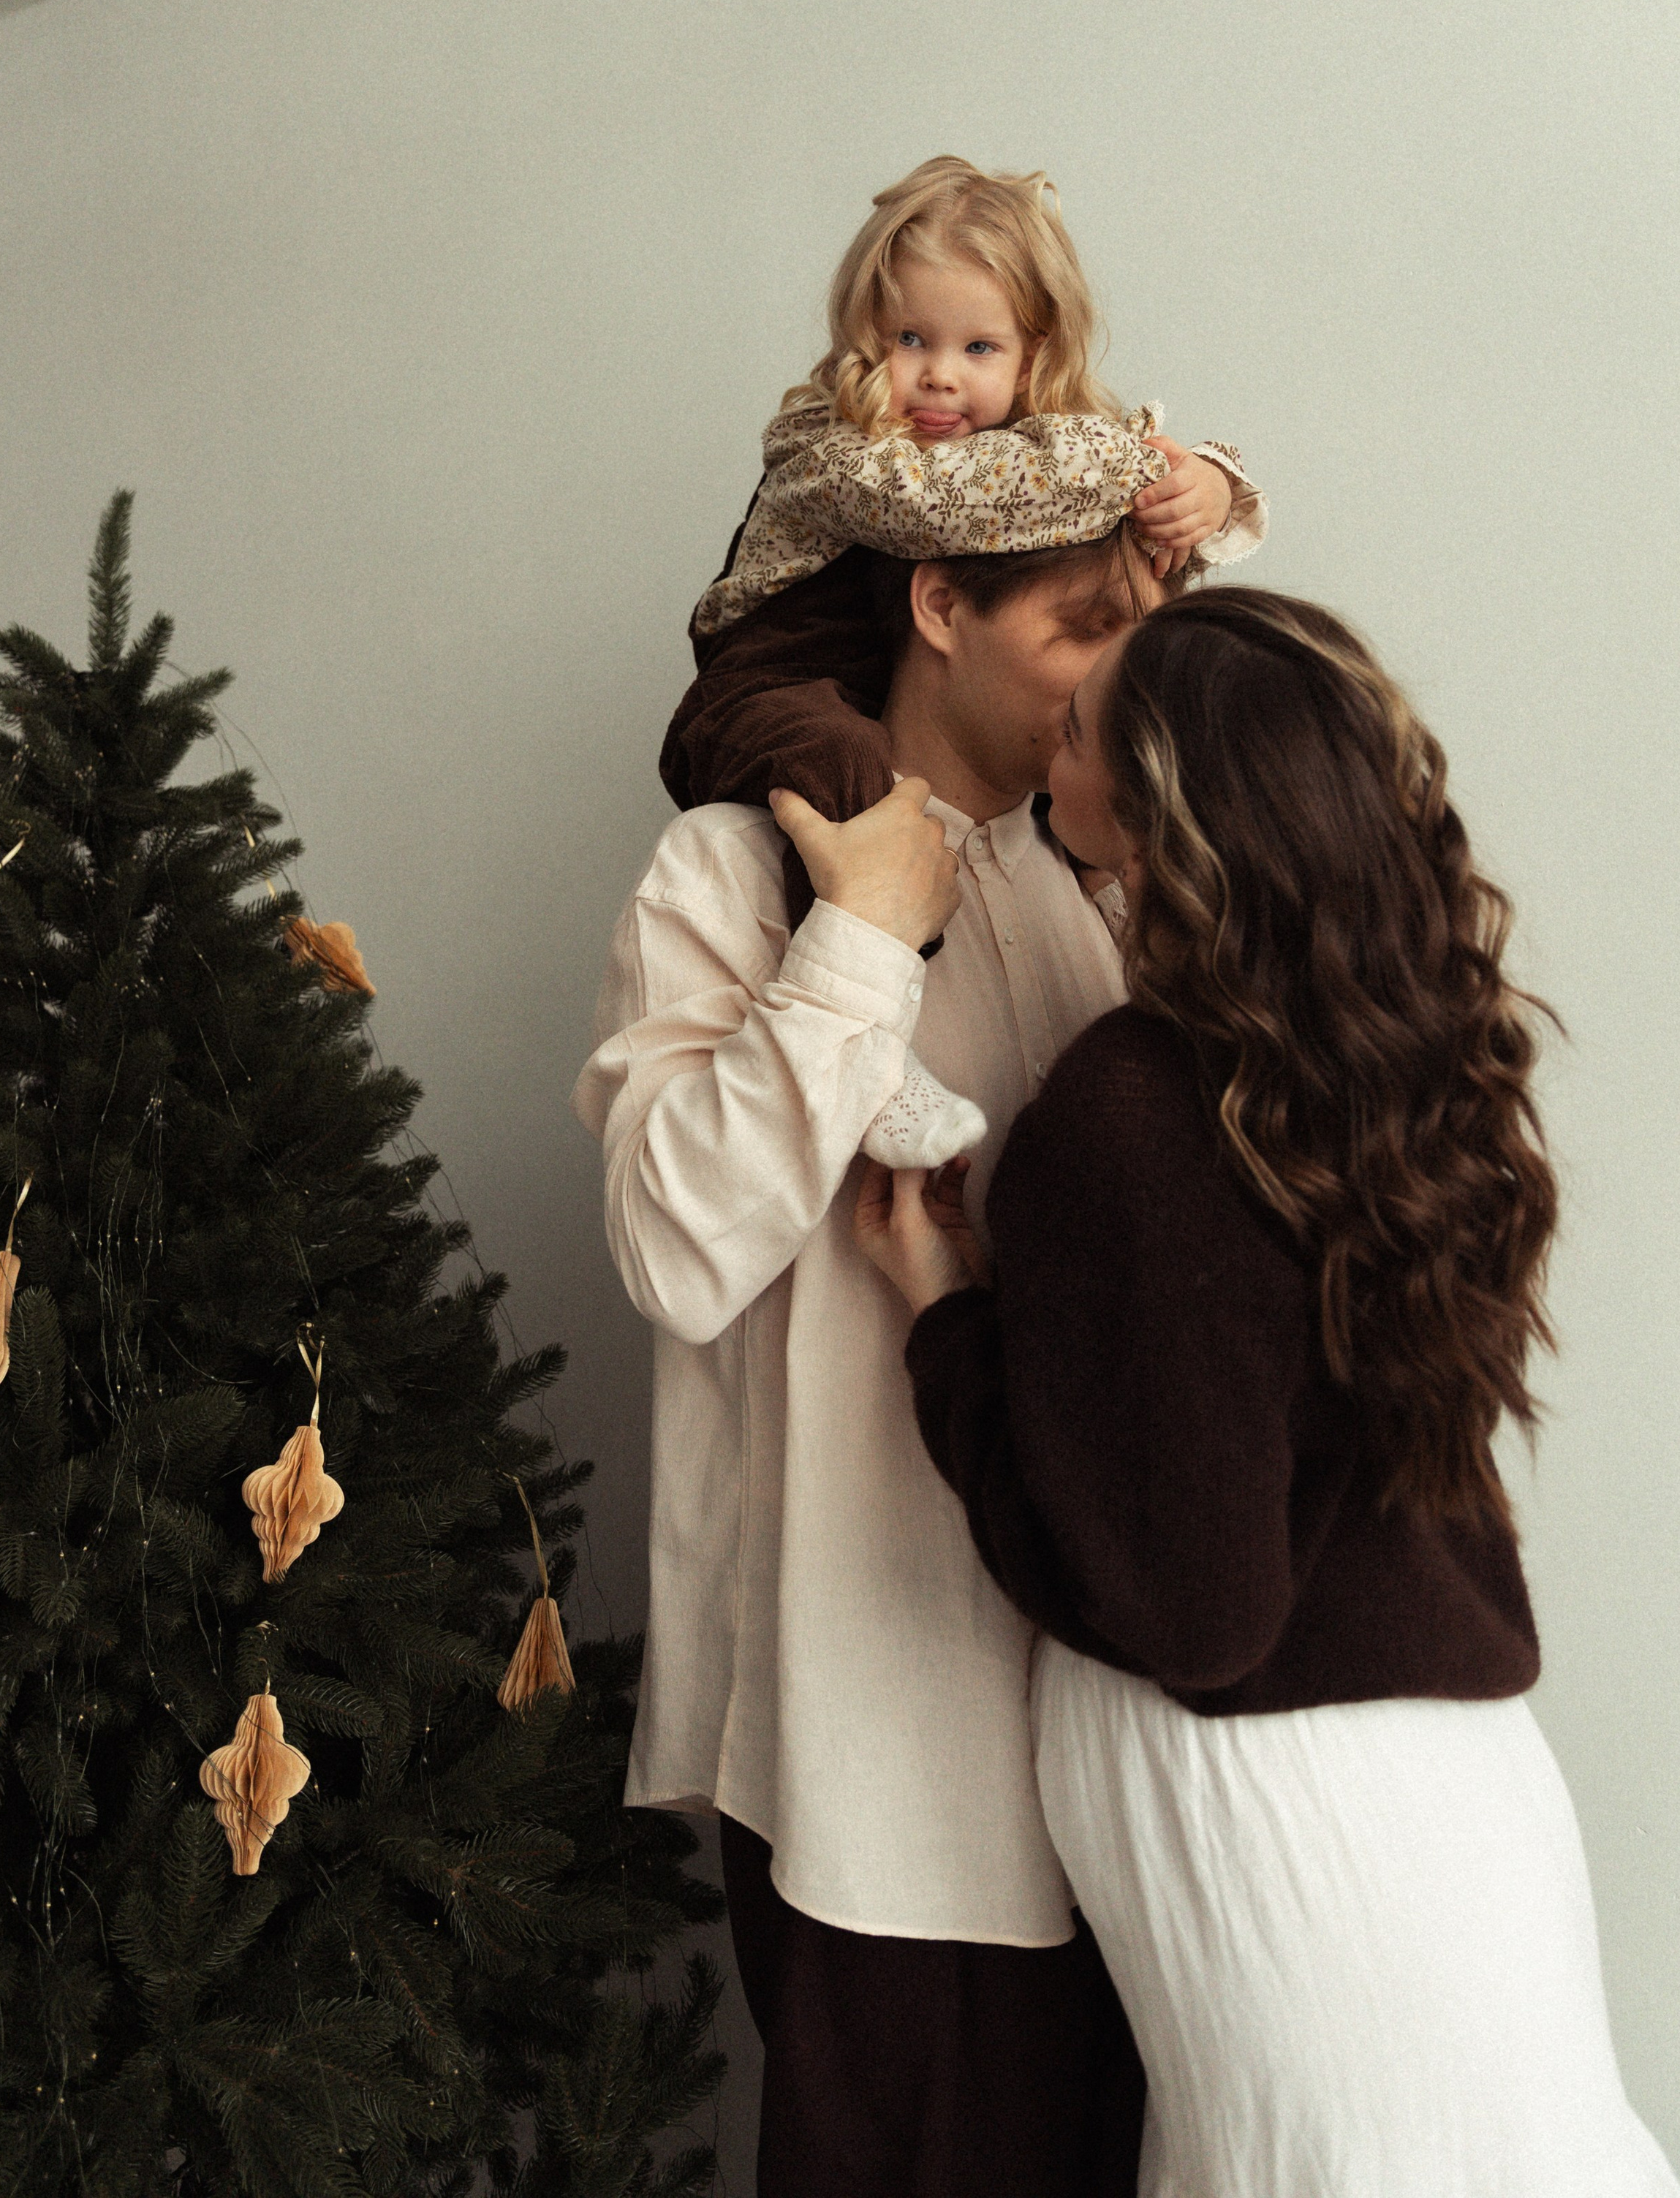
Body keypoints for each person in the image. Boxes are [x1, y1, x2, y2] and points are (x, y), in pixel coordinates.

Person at [848, 585, 1680, 2198]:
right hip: (1463, 1792)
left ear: (1152, 814)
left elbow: (1192, 1613)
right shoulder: (1390, 1063)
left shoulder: (1130, 1107)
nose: (1051, 736)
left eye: (1082, 726)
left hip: (1273, 1811)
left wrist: (946, 1324)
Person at [574, 520, 1178, 2198]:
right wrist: (857, 937)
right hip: (880, 1765)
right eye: (1081, 627)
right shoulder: (724, 874)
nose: (1119, 679)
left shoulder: (1111, 881)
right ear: (938, 605)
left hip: (1140, 1751)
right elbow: (673, 1250)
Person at [661, 154, 1268, 1172]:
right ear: (864, 338)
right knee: (847, 782)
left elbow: (1128, 552)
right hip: (778, 670)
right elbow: (936, 503)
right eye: (910, 340)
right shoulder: (834, 443)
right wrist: (1137, 460)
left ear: (1033, 358)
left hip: (882, 678)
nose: (940, 375)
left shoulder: (1023, 459)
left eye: (979, 346)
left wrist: (1205, 485)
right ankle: (877, 1046)